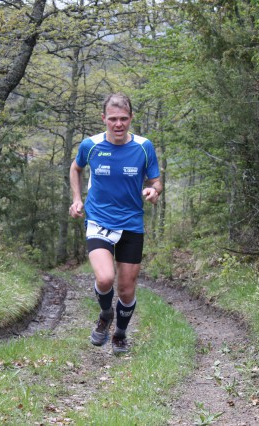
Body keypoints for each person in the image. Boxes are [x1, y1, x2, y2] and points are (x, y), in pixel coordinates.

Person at [69, 93, 162, 355]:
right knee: (106, 277)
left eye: (123, 119)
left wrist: (154, 191)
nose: (118, 124)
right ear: (104, 119)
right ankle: (104, 314)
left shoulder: (144, 147)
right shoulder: (91, 145)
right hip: (99, 220)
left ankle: (120, 333)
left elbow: (156, 181)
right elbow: (75, 168)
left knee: (126, 288)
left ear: (131, 118)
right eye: (113, 119)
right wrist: (77, 199)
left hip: (131, 223)